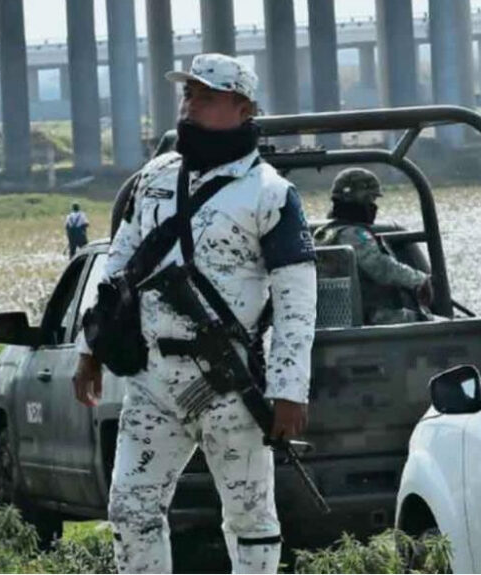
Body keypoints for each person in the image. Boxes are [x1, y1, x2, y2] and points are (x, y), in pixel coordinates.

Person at [72, 53, 317, 573]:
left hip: (229, 384)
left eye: (206, 96)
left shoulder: (270, 193)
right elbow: (117, 268)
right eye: (188, 94)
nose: (190, 106)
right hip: (152, 380)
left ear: (244, 108)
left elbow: (296, 299)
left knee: (250, 518)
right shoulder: (154, 177)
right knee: (130, 511)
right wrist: (88, 349)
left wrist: (289, 388)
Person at [314, 167, 433, 325]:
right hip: (371, 318)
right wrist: (419, 280)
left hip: (338, 318)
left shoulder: (323, 234)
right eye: (370, 199)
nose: (373, 206)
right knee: (434, 322)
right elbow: (382, 268)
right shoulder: (354, 234)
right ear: (359, 199)